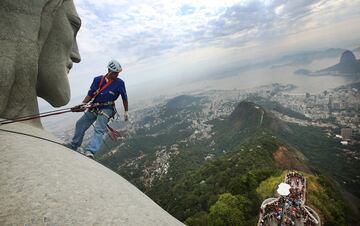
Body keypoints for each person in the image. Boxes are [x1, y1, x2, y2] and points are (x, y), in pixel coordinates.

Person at [66, 60, 128, 158]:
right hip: (94, 106)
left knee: (99, 129)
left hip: (107, 108)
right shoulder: (98, 80)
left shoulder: (120, 83)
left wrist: (126, 111)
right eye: (115, 73)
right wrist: (83, 104)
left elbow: (124, 97)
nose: (117, 75)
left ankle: (90, 151)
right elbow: (91, 94)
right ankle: (74, 145)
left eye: (118, 73)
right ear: (109, 71)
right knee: (80, 124)